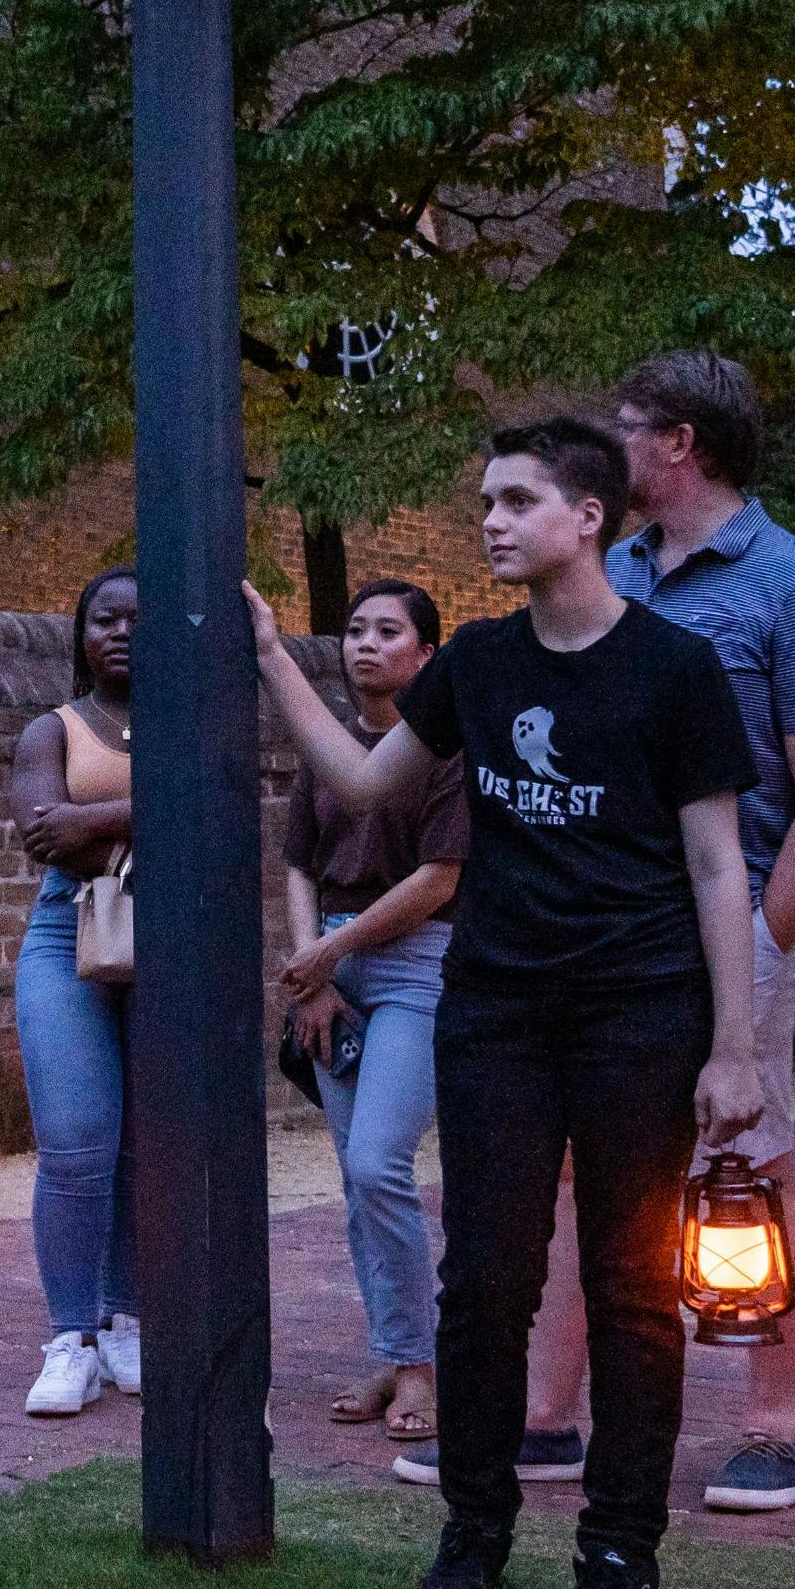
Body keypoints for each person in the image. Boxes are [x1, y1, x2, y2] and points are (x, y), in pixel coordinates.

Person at [253, 418, 767, 1589]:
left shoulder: (674, 667)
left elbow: (714, 863)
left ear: (589, 515)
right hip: (497, 1009)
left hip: (639, 1009)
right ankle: (472, 1532)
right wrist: (273, 655)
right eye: (484, 498)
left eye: (516, 499)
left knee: (632, 1285)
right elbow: (369, 782)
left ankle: (616, 1554)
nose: (489, 519)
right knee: (484, 1281)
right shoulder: (477, 664)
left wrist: (734, 1047)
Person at [608, 353, 795, 1511]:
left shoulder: (789, 584)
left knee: (747, 1157)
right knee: (593, 1158)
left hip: (735, 915)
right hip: (611, 921)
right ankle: (555, 1420)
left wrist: (761, 944)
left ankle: (775, 1426)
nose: (605, 448)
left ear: (679, 443)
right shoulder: (611, 568)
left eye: (624, 428)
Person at [281, 579, 468, 1441]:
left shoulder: (446, 748)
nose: (365, 645)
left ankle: (423, 1367)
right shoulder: (326, 748)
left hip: (417, 965)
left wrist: (332, 952)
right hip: (334, 972)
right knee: (359, 1181)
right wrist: (315, 978)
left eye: (388, 632)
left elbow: (442, 879)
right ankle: (397, 1356)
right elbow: (297, 866)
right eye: (354, 629)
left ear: (426, 655)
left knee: (378, 1164)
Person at [10, 567, 142, 1415]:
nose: (122, 632)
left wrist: (93, 817)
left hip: (178, 945)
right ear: (81, 635)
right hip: (70, 935)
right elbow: (42, 833)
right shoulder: (50, 730)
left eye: (139, 619)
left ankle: (129, 1320)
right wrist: (150, 810)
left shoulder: (193, 719)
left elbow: (220, 804)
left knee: (150, 1146)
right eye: (104, 619)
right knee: (76, 1141)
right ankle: (71, 1338)